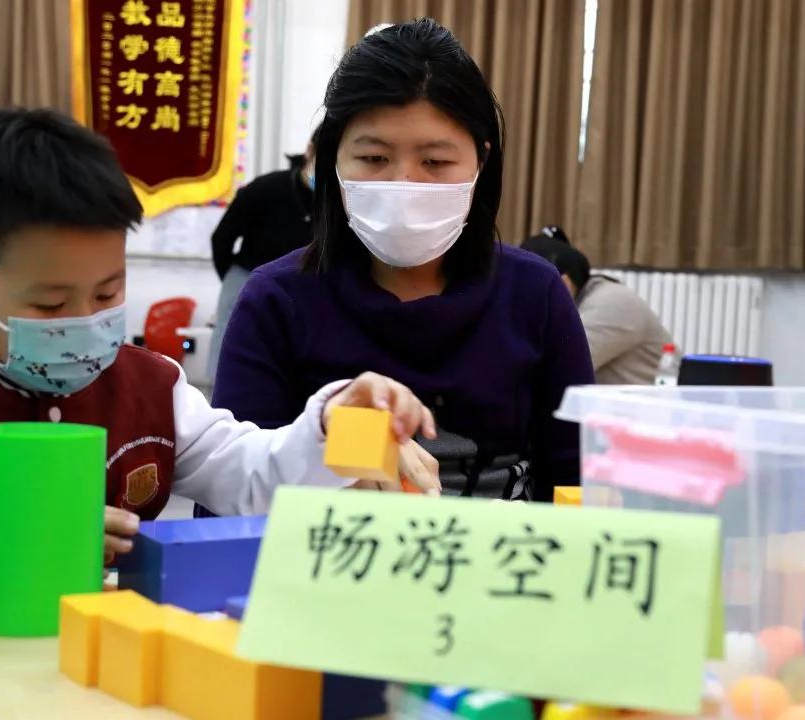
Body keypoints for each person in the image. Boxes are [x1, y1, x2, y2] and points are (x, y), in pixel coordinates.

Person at [0, 108, 440, 567]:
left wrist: (331, 423)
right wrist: (9, 541)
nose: (85, 319)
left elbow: (253, 476)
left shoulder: (152, 387)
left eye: (108, 292)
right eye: (50, 303)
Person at [212, 19, 595, 503]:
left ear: (480, 161)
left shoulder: (534, 294)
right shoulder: (276, 299)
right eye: (374, 159)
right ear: (333, 160)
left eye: (435, 162)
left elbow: (578, 481)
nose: (404, 184)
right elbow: (228, 497)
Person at [207, 125, 320, 380]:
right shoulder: (266, 187)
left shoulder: (335, 199)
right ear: (310, 151)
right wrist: (231, 279)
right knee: (229, 348)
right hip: (246, 276)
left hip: (301, 285)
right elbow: (222, 238)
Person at [524, 226, 673, 385]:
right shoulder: (581, 299)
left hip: (655, 399)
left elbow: (553, 370)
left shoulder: (612, 302)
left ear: (564, 284)